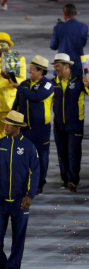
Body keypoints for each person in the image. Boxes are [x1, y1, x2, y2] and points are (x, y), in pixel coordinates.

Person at [0, 110, 40, 269]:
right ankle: (0, 265)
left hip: (20, 201)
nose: (5, 126)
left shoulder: (29, 147)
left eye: (9, 124)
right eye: (5, 123)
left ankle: (13, 267)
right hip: (0, 200)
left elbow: (35, 172)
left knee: (18, 238)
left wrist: (30, 196)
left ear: (17, 127)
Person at [10, 55, 54, 195]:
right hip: (25, 128)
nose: (30, 72)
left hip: (41, 129)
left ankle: (39, 184)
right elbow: (16, 104)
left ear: (41, 71)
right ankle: (25, 183)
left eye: (32, 70)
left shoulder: (47, 85)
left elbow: (36, 97)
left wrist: (18, 87)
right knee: (23, 156)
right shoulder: (24, 84)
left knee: (41, 157)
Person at [51, 53, 89, 192]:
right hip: (59, 124)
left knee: (73, 153)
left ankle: (73, 180)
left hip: (75, 123)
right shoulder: (53, 82)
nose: (56, 69)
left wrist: (88, 84)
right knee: (62, 153)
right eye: (54, 66)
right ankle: (65, 180)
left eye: (58, 66)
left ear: (67, 66)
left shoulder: (79, 80)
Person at [50, 3, 88, 77]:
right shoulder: (84, 27)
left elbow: (53, 46)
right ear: (76, 13)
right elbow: (83, 44)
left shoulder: (58, 28)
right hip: (81, 63)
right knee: (83, 87)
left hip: (63, 63)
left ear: (64, 14)